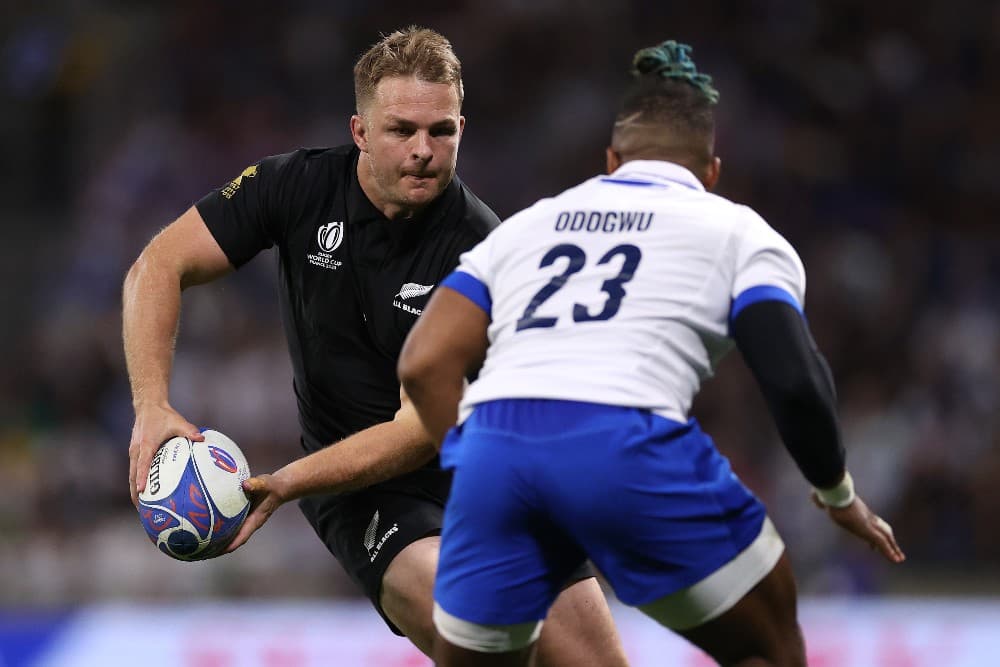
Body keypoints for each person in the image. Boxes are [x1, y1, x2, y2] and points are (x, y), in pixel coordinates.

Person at [123, 26, 627, 665]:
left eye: (440, 131)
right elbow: (158, 265)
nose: (423, 149)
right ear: (360, 132)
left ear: (461, 130)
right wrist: (151, 404)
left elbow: (421, 429)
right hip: (366, 492)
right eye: (401, 130)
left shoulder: (484, 252)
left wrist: (285, 482)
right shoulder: (294, 187)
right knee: (473, 628)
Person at [398, 39, 906, 667]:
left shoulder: (529, 226)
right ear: (711, 171)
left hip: (495, 453)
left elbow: (422, 363)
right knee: (768, 648)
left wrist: (471, 456)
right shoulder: (739, 231)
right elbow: (796, 381)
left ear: (611, 161)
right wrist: (836, 492)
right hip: (625, 439)